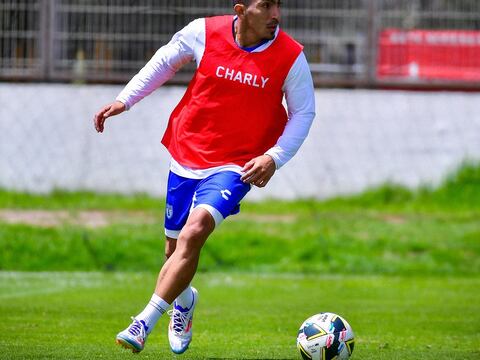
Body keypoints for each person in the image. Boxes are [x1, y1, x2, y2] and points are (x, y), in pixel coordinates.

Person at [93, 0, 315, 355]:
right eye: (266, 6)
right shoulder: (204, 32)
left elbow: (304, 112)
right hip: (188, 151)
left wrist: (273, 158)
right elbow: (164, 61)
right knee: (173, 249)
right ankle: (184, 302)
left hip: (238, 164)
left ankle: (142, 323)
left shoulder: (290, 56)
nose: (276, 14)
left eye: (279, 6)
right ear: (241, 10)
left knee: (194, 231)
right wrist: (125, 100)